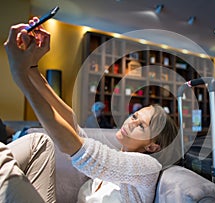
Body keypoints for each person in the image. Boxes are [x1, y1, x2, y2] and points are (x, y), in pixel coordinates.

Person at [2, 18, 179, 203]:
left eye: (141, 125)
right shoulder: (117, 159)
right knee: (38, 142)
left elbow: (75, 147)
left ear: (152, 146)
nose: (131, 121)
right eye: (134, 115)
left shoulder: (147, 167)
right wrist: (31, 68)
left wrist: (19, 75)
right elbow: (72, 124)